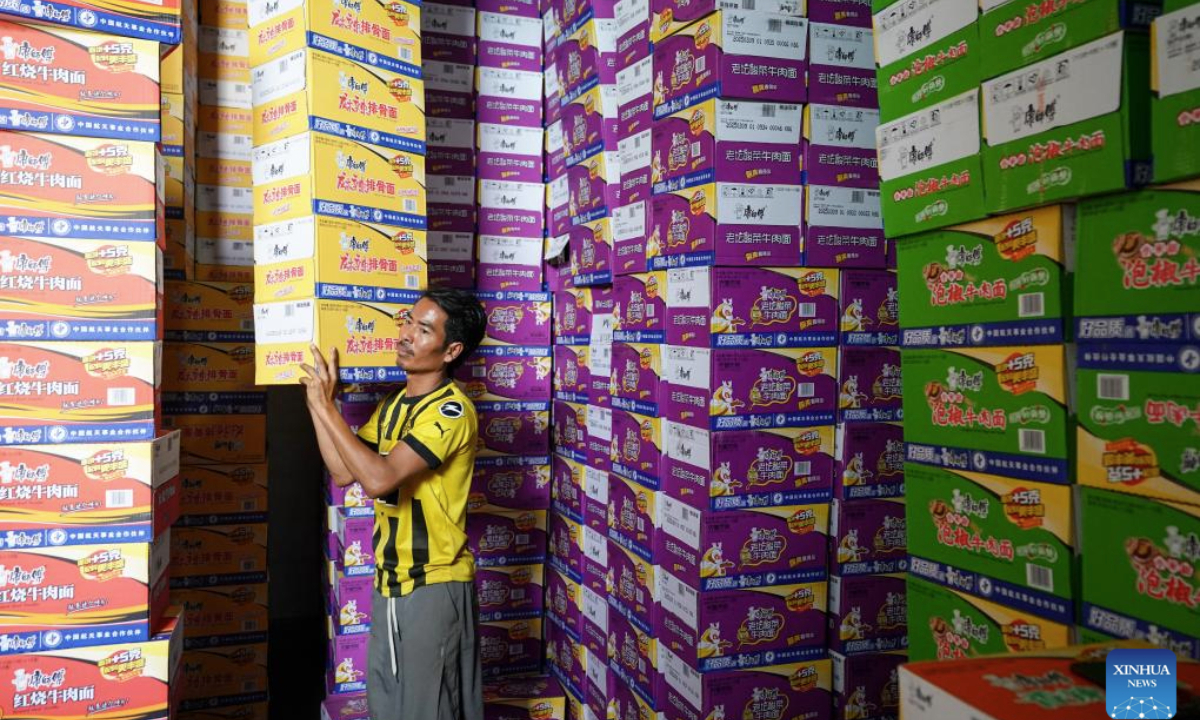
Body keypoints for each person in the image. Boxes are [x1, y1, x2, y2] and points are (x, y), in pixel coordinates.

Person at [300, 288, 488, 720]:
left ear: (451, 350)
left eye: (423, 329)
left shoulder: (451, 412)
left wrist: (329, 408)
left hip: (434, 585)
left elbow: (378, 477)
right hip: (390, 583)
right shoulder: (394, 406)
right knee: (389, 706)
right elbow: (345, 470)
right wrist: (315, 402)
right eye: (407, 322)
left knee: (429, 711)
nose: (405, 334)